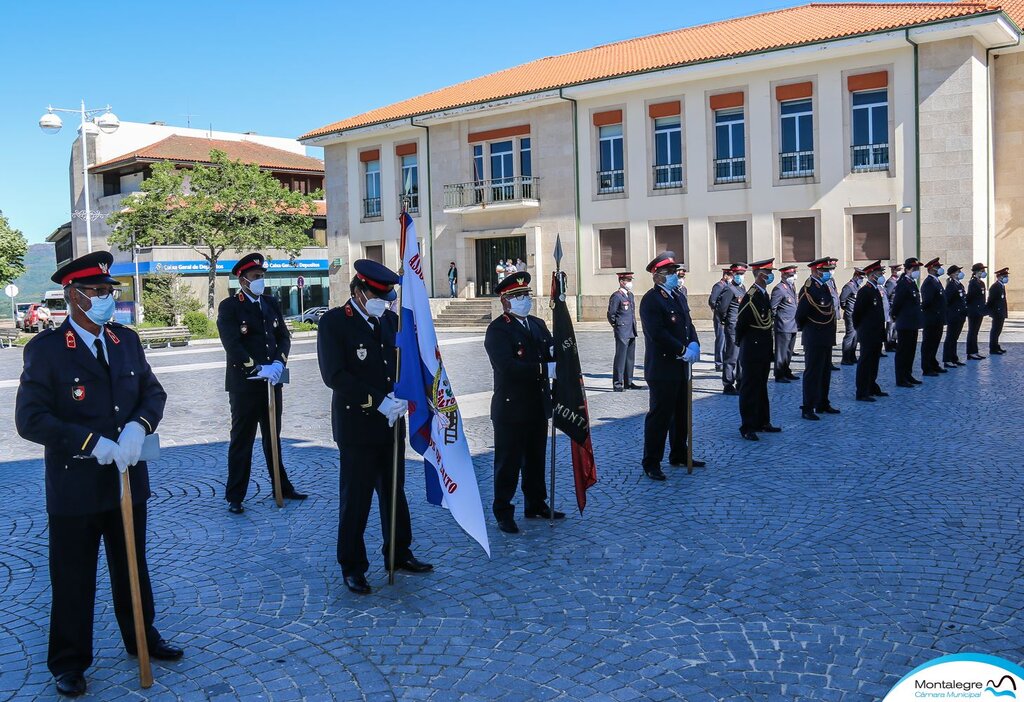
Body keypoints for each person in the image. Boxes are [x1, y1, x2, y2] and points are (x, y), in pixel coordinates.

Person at [15, 251, 183, 698]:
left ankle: (141, 638)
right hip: (76, 485)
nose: (107, 299)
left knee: (133, 565)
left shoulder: (124, 340)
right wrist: (91, 442)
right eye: (97, 292)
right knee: (73, 575)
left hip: (127, 477)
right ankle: (69, 661)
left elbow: (153, 392)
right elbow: (30, 420)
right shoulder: (47, 350)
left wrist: (137, 426)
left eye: (110, 291)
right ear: (72, 296)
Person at [316, 260, 432, 594]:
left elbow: (401, 364)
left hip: (392, 422)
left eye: (388, 295)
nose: (384, 300)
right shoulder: (335, 323)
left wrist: (402, 392)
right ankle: (352, 565)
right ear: (358, 291)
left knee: (393, 492)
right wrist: (377, 400)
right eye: (378, 294)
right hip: (358, 425)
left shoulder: (390, 320)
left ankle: (398, 552)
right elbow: (334, 375)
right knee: (357, 498)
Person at [216, 253, 307, 514]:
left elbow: (283, 337)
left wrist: (279, 362)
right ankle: (235, 495)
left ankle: (282, 486)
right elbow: (232, 344)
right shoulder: (230, 306)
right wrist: (256, 367)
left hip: (272, 383)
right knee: (242, 440)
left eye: (262, 276)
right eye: (256, 277)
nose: (260, 281)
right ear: (243, 280)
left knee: (272, 438)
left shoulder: (270, 302)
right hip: (246, 385)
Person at [483, 271, 562, 533]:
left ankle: (536, 503)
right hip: (511, 408)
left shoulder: (538, 323)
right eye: (517, 296)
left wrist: (557, 351)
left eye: (526, 295)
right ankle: (503, 511)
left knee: (536, 459)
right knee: (508, 462)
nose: (523, 300)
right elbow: (507, 367)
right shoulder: (497, 329)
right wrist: (543, 369)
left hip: (537, 405)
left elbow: (552, 348)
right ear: (505, 301)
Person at [639, 252, 703, 480]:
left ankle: (679, 453)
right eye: (670, 273)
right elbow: (657, 333)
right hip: (663, 368)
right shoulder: (651, 300)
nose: (675, 276)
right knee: (660, 417)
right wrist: (682, 350)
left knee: (681, 414)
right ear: (657, 276)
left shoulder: (678, 296)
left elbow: (688, 324)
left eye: (675, 272)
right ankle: (651, 462)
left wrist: (694, 342)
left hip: (681, 368)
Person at [735, 259, 780, 440]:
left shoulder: (763, 294)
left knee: (761, 387)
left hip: (762, 349)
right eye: (768, 273)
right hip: (752, 350)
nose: (770, 276)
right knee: (750, 389)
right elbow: (741, 324)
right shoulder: (751, 296)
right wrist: (743, 345)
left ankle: (763, 421)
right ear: (761, 275)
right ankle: (747, 426)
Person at [795, 257, 839, 420]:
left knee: (825, 371)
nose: (828, 273)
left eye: (829, 270)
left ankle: (822, 402)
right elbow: (800, 315)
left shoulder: (824, 287)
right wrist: (809, 329)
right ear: (815, 271)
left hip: (826, 335)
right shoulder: (808, 288)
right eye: (825, 270)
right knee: (813, 372)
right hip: (814, 335)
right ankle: (808, 407)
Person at [852, 260, 889, 402]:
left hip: (877, 332)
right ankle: (862, 391)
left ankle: (872, 385)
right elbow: (857, 314)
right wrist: (861, 329)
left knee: (874, 362)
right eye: (879, 273)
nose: (881, 276)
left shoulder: (875, 289)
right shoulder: (864, 291)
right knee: (865, 362)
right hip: (867, 333)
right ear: (872, 275)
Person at [891, 257, 925, 388]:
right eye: (914, 269)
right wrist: (895, 316)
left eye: (917, 269)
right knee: (903, 351)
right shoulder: (903, 283)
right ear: (907, 269)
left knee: (911, 350)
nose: (916, 271)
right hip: (905, 322)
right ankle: (901, 378)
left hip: (912, 322)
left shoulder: (911, 282)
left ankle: (908, 374)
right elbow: (897, 302)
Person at [715, 262, 748, 395]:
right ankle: (728, 384)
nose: (740, 276)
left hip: (741, 327)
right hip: (733, 326)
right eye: (738, 274)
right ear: (733, 274)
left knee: (741, 357)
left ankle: (740, 381)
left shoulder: (743, 288)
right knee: (731, 357)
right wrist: (726, 321)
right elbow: (722, 309)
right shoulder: (729, 289)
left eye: (742, 274)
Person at [607, 271, 640, 392]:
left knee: (630, 358)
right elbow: (611, 314)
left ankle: (629, 382)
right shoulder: (616, 296)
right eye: (628, 280)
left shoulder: (630, 295)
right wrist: (617, 325)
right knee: (620, 357)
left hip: (631, 329)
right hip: (622, 330)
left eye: (631, 280)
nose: (630, 283)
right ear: (622, 282)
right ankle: (618, 383)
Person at [771, 265, 799, 383]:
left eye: (793, 275)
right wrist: (778, 320)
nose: (793, 278)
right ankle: (779, 374)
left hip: (792, 325)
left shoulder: (791, 287)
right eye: (790, 276)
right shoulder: (779, 289)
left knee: (789, 351)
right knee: (781, 352)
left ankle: (786, 371)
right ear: (783, 276)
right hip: (783, 325)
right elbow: (773, 307)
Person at [919, 257, 947, 376]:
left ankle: (933, 363)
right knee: (928, 343)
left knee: (935, 343)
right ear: (931, 269)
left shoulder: (936, 281)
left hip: (938, 318)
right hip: (931, 318)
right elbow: (927, 302)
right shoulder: (929, 282)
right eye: (937, 267)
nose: (940, 269)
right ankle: (927, 367)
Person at [942, 265, 968, 369]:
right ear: (952, 274)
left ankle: (954, 357)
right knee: (950, 338)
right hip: (954, 315)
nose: (959, 273)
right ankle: (947, 359)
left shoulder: (959, 284)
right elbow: (948, 301)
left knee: (955, 338)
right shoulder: (951, 285)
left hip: (960, 315)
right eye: (957, 272)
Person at [708, 269, 731, 372]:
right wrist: (718, 310)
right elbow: (712, 300)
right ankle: (719, 363)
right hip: (720, 316)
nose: (732, 278)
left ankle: (726, 360)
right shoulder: (719, 286)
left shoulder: (731, 286)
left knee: (727, 339)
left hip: (728, 316)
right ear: (725, 275)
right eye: (730, 275)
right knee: (721, 339)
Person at [839, 268, 863, 365]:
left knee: (856, 336)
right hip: (850, 314)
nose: (862, 279)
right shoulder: (849, 286)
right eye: (861, 277)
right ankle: (845, 358)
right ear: (856, 276)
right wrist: (848, 309)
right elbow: (842, 300)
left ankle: (852, 356)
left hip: (857, 314)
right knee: (850, 335)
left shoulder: (857, 286)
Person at [965, 263, 988, 360]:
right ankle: (971, 352)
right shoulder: (973, 282)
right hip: (973, 310)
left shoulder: (981, 283)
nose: (984, 273)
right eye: (982, 271)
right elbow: (969, 297)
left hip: (980, 311)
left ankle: (975, 351)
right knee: (972, 331)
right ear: (976, 272)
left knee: (976, 332)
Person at [988, 267, 1010, 355]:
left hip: (1000, 312)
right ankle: (993, 348)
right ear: (999, 277)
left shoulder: (1001, 286)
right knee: (995, 330)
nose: (1006, 278)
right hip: (997, 312)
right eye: (1005, 276)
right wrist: (993, 311)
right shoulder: (995, 286)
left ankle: (996, 345)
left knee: (998, 330)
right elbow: (991, 300)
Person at [825, 259, 842, 371]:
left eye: (834, 268)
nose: (832, 271)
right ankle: (826, 362)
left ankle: (828, 362)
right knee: (826, 341)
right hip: (826, 316)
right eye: (830, 268)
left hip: (833, 314)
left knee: (830, 340)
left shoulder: (831, 280)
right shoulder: (824, 281)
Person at [884, 263, 902, 352]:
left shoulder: (898, 281)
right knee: (890, 328)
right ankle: (888, 345)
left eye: (900, 270)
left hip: (897, 308)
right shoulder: (891, 282)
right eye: (898, 270)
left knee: (895, 328)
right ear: (893, 271)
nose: (899, 272)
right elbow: (886, 295)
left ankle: (894, 343)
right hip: (891, 308)